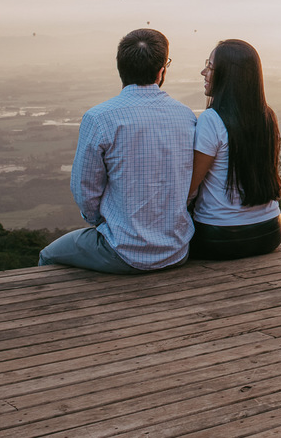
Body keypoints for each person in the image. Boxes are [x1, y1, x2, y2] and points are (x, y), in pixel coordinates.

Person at [39, 28, 197, 273]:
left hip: (121, 250)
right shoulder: (185, 116)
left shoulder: (100, 118)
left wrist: (101, 221)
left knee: (48, 256)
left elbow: (84, 188)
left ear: (120, 67)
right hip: (177, 250)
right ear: (161, 71)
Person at [188, 39, 281, 260]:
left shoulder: (212, 120)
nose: (204, 72)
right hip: (270, 231)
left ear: (228, 75)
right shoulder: (267, 116)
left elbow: (191, 188)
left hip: (220, 238)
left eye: (210, 66)